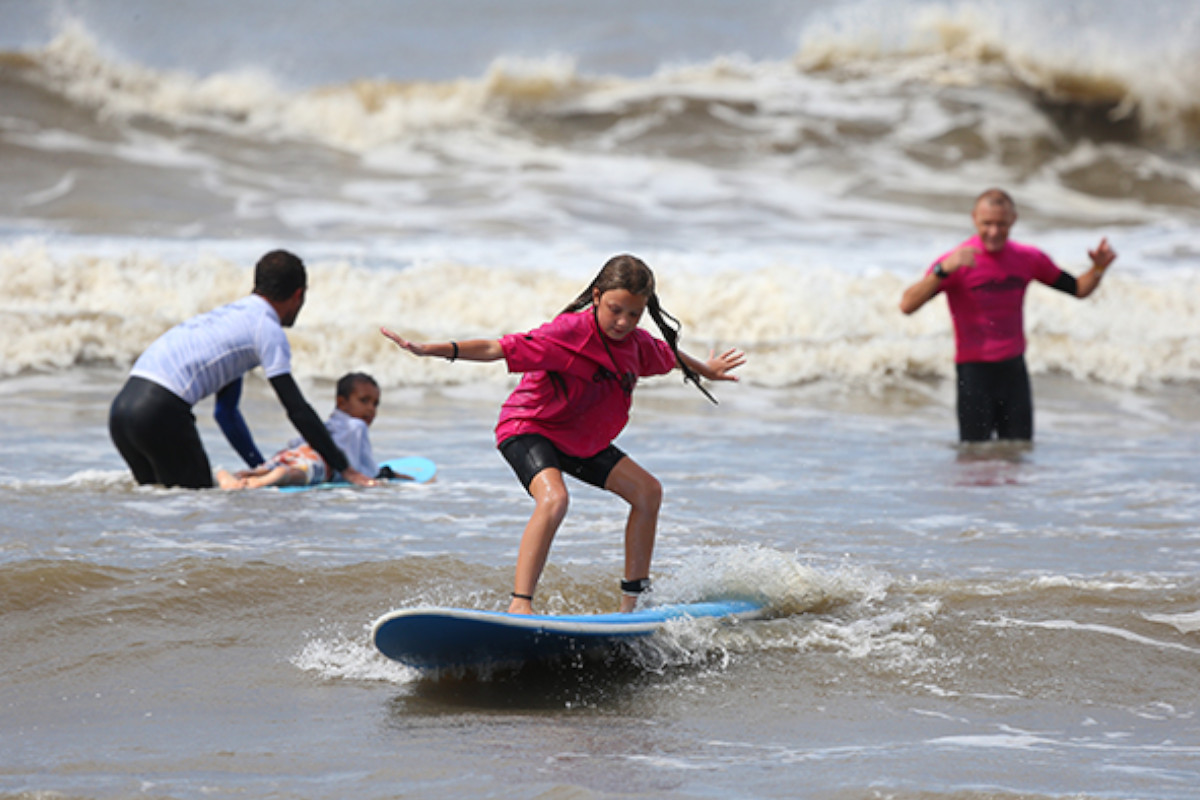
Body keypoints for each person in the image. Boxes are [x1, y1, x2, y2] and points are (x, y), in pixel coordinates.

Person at [381, 254, 745, 614]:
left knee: (648, 493)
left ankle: (633, 606)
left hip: (580, 442)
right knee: (555, 500)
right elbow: (497, 347)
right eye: (615, 309)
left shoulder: (638, 345)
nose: (623, 322)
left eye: (634, 314)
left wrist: (707, 371)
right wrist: (432, 349)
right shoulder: (568, 332)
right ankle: (520, 604)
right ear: (598, 296)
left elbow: (670, 355)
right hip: (529, 427)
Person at [109, 250, 374, 489]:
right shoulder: (266, 328)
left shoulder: (234, 319)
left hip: (122, 412)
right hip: (160, 412)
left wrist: (260, 467)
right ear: (298, 294)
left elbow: (227, 413)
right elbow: (297, 409)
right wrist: (344, 466)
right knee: (194, 511)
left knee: (159, 510)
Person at [899, 188, 1117, 442]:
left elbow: (1079, 289)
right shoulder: (956, 262)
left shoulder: (1028, 258)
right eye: (987, 223)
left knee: (1018, 456)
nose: (994, 232)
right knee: (975, 460)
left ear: (1013, 220)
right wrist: (942, 270)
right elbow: (907, 305)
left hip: (1013, 372)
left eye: (1001, 224)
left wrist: (1099, 268)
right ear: (974, 219)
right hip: (973, 373)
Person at [216, 372, 383, 490]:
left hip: (294, 452)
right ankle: (275, 477)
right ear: (342, 402)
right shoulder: (356, 426)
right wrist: (381, 475)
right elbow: (364, 470)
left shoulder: (324, 427)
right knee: (297, 474)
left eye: (375, 404)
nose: (371, 409)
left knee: (265, 468)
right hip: (319, 460)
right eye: (364, 401)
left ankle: (234, 476)